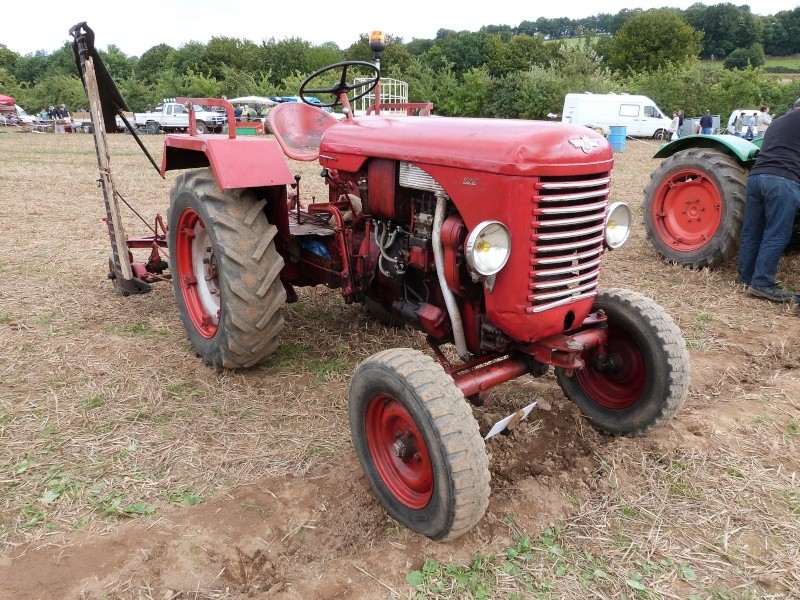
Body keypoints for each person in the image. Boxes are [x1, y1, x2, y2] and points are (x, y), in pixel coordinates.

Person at [737, 98, 800, 303]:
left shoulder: (778, 121)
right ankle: (762, 283)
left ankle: (746, 278)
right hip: (783, 180)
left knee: (752, 231)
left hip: (756, 178)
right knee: (776, 234)